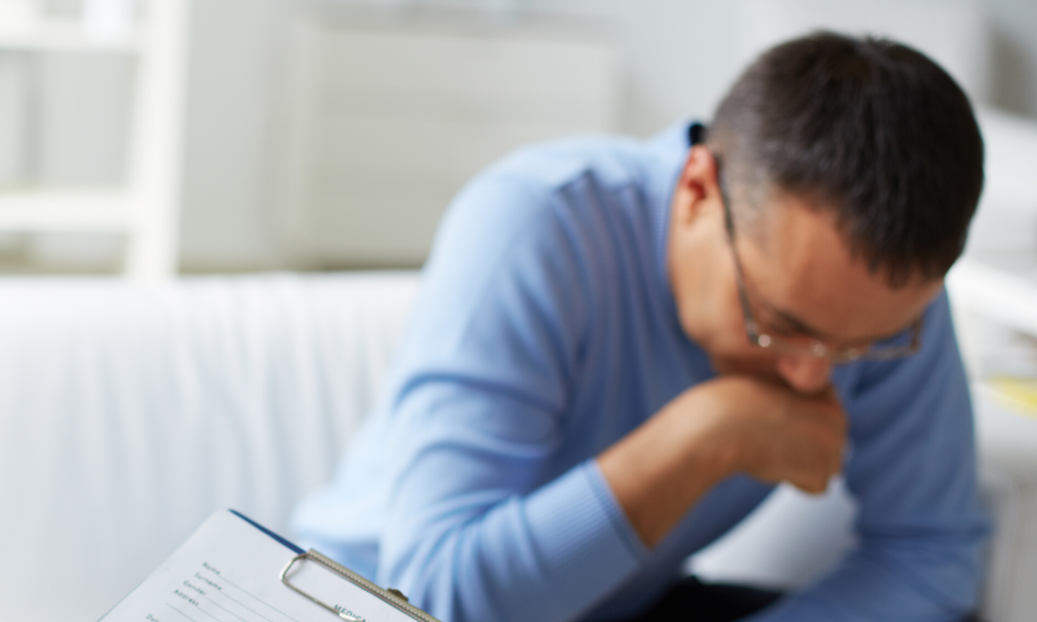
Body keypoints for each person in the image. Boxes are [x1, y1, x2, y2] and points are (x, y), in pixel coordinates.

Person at [291, 31, 989, 622]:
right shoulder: (535, 225)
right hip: (354, 599)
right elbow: (435, 596)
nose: (812, 374)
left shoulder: (884, 306)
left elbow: (929, 554)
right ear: (694, 191)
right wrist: (706, 436)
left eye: (860, 347)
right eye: (778, 323)